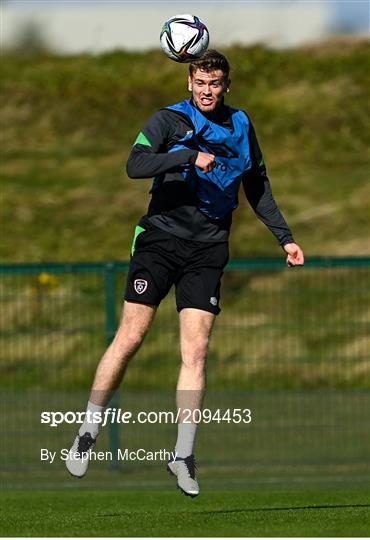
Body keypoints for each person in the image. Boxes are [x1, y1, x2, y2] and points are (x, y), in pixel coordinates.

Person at [66, 50, 304, 497]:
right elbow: (134, 165)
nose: (207, 90)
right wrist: (186, 157)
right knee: (131, 337)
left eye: (215, 83)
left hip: (209, 248)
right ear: (189, 83)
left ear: (226, 86)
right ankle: (87, 431)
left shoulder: (240, 124)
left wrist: (284, 237)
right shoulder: (168, 121)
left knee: (196, 352)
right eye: (200, 82)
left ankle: (183, 456)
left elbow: (257, 185)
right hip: (160, 239)